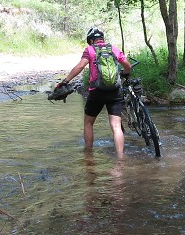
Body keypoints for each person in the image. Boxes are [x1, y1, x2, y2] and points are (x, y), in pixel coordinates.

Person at [55, 26, 132, 158]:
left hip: (97, 91)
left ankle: (89, 155)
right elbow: (127, 66)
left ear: (91, 41)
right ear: (102, 39)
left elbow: (80, 66)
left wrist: (65, 81)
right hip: (114, 90)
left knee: (88, 122)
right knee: (116, 126)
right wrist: (124, 74)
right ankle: (120, 158)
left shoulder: (90, 50)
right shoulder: (113, 49)